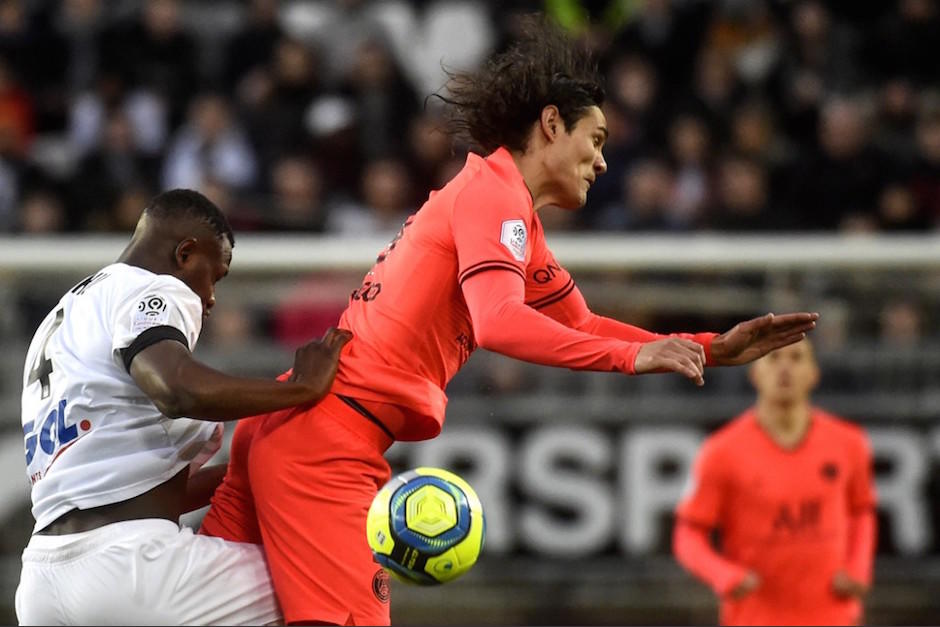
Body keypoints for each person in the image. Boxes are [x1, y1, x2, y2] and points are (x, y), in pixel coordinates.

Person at [200, 16, 819, 626]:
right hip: (325, 443)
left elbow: (580, 322)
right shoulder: (492, 197)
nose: (602, 163)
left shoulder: (504, 209)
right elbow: (498, 322)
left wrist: (707, 347)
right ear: (552, 124)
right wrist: (635, 357)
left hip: (292, 421)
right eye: (596, 140)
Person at [16, 189, 351, 625]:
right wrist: (301, 389)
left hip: (43, 581)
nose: (211, 298)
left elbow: (122, 489)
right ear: (185, 254)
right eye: (216, 275)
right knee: (331, 586)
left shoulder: (66, 314)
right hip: (129, 568)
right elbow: (176, 390)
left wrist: (251, 469)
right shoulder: (151, 288)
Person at [673, 338, 877, 625]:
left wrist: (858, 568)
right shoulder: (721, 451)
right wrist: (723, 575)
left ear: (814, 373)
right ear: (755, 374)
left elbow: (861, 510)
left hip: (832, 615)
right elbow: (688, 534)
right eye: (773, 358)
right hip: (755, 617)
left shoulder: (849, 443)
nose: (784, 368)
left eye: (796, 358)